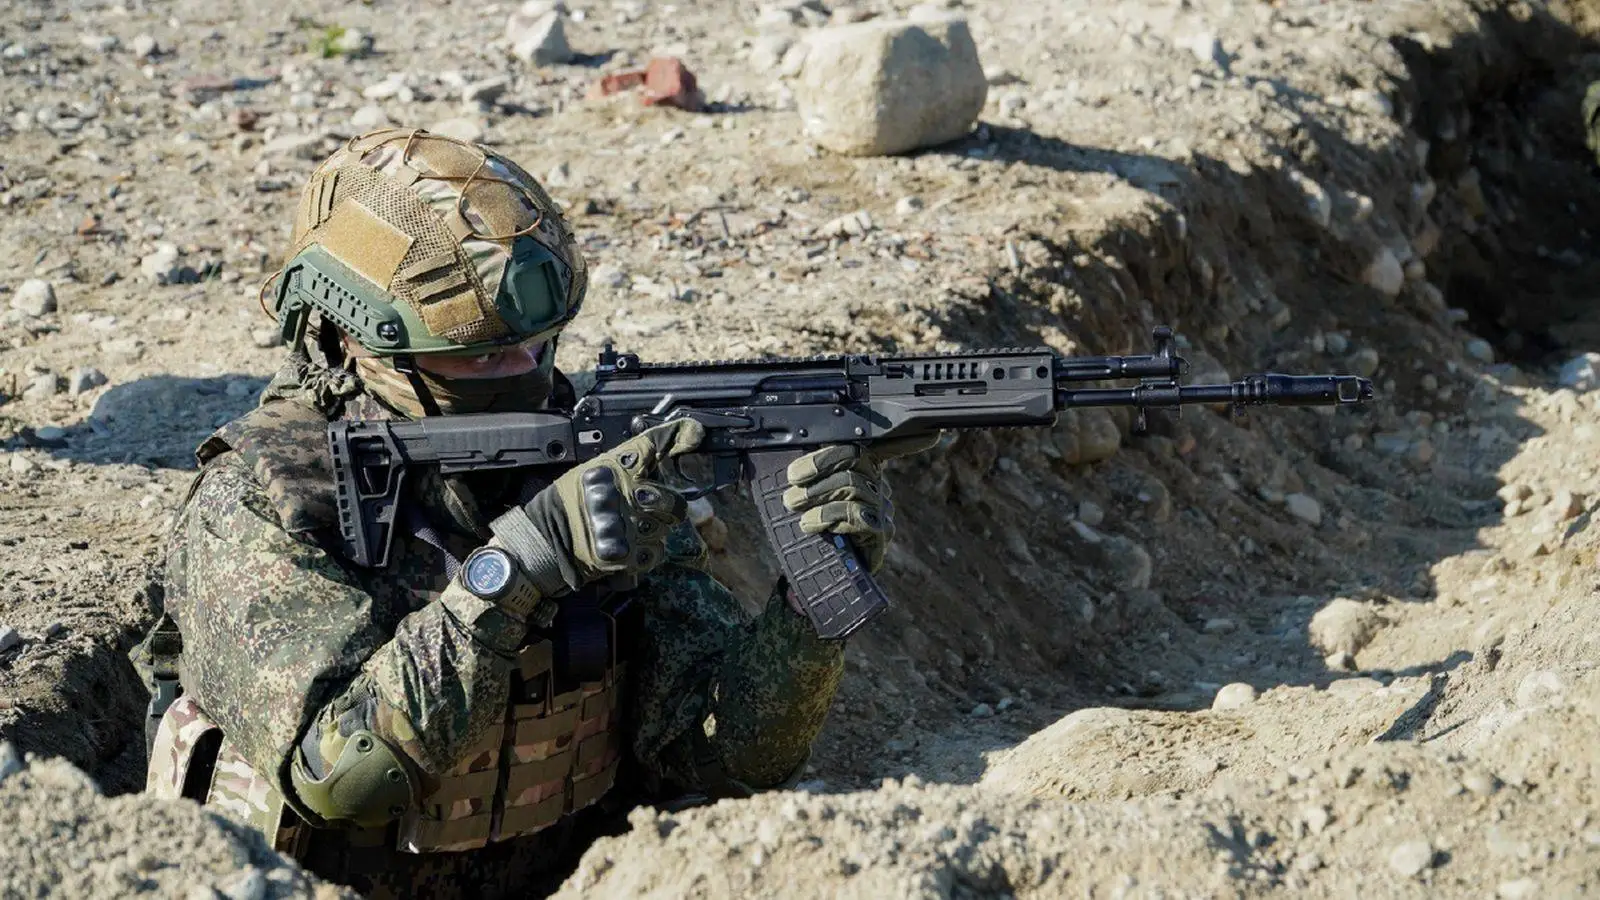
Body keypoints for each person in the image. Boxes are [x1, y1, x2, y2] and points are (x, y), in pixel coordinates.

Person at [136, 128, 922, 896]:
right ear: (354, 339)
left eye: (541, 342)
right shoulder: (261, 501)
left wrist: (806, 609)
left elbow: (719, 753)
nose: (525, 372)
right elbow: (346, 779)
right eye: (482, 353)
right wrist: (520, 568)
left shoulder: (585, 448)